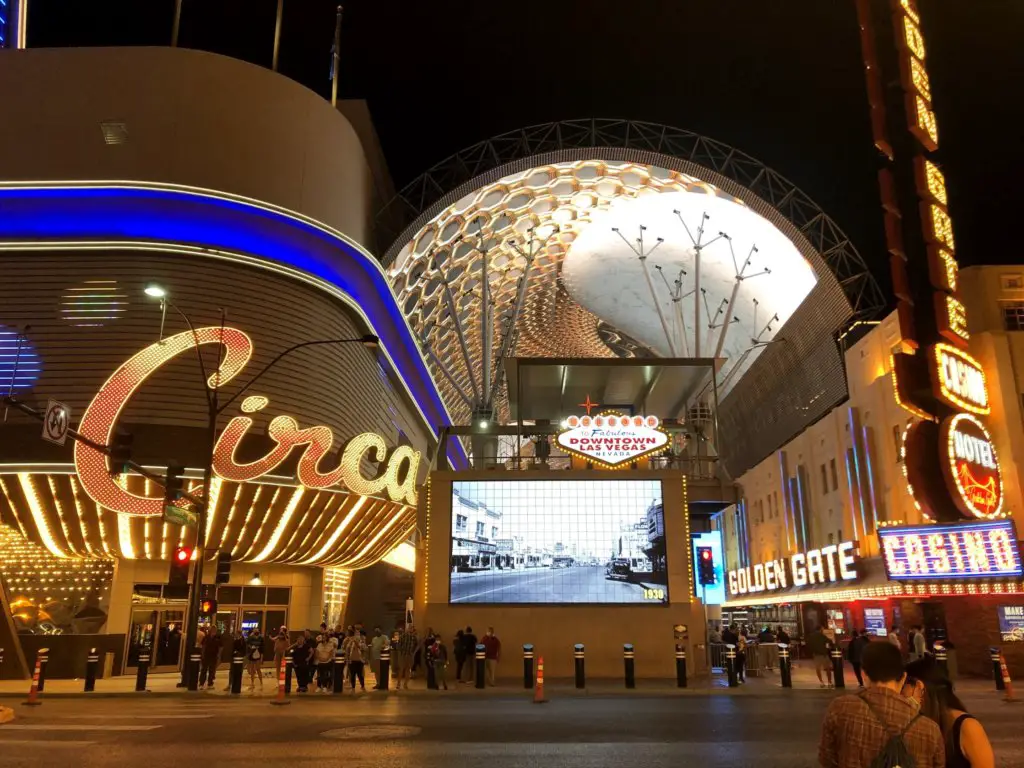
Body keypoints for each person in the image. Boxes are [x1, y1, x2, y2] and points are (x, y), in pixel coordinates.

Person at [819, 641, 944, 768]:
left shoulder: (841, 708)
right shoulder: (929, 729)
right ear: (903, 677)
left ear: (864, 674)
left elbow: (827, 759)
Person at [904, 657, 995, 768]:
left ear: (918, 686)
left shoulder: (966, 726)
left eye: (903, 688)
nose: (900, 695)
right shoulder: (915, 724)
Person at [198, 624, 222, 690]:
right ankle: (201, 683)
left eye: (215, 630)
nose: (213, 631)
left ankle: (210, 683)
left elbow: (220, 647)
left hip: (214, 656)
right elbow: (203, 646)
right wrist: (202, 655)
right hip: (206, 656)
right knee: (204, 670)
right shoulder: (206, 637)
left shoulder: (218, 638)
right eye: (212, 630)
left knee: (212, 670)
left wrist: (219, 656)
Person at [395, 626, 418, 690]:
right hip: (403, 654)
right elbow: (398, 646)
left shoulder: (414, 637)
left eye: (412, 629)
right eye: (409, 628)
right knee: (401, 669)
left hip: (410, 655)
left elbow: (417, 645)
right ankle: (398, 683)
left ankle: (405, 684)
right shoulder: (403, 636)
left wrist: (413, 653)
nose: (410, 630)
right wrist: (400, 653)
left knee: (408, 669)